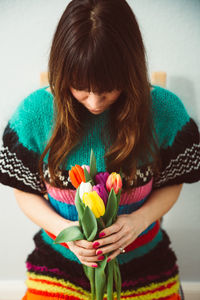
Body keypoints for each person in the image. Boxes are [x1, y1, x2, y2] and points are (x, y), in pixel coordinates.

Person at [0, 0, 199, 299]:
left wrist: (139, 221)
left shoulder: (164, 111)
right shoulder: (34, 113)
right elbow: (24, 190)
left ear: (130, 72)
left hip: (144, 260)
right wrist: (65, 233)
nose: (94, 102)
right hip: (60, 262)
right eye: (80, 88)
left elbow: (173, 182)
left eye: (107, 89)